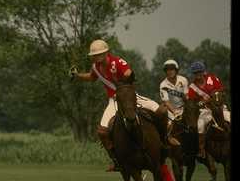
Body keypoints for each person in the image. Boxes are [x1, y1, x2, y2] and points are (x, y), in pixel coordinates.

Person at [69, 39, 173, 172]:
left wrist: (127, 78)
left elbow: (128, 72)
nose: (97, 57)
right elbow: (91, 77)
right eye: (95, 55)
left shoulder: (117, 61)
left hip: (129, 97)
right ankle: (117, 160)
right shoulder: (96, 67)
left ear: (106, 53)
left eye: (99, 54)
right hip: (113, 100)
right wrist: (77, 75)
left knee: (161, 112)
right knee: (102, 131)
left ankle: (164, 144)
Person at [186, 61, 230, 159]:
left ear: (203, 71)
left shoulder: (212, 78)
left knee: (229, 118)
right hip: (206, 111)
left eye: (199, 72)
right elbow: (192, 102)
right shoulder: (192, 87)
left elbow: (221, 90)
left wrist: (212, 98)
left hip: (220, 108)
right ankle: (201, 150)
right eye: (195, 73)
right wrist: (199, 104)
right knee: (200, 125)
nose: (198, 75)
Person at [159, 59, 188, 146]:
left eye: (172, 69)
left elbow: (187, 96)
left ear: (176, 70)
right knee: (168, 125)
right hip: (171, 110)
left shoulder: (183, 80)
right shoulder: (163, 85)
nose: (170, 71)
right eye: (167, 70)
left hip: (184, 107)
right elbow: (166, 102)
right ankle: (168, 140)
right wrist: (174, 112)